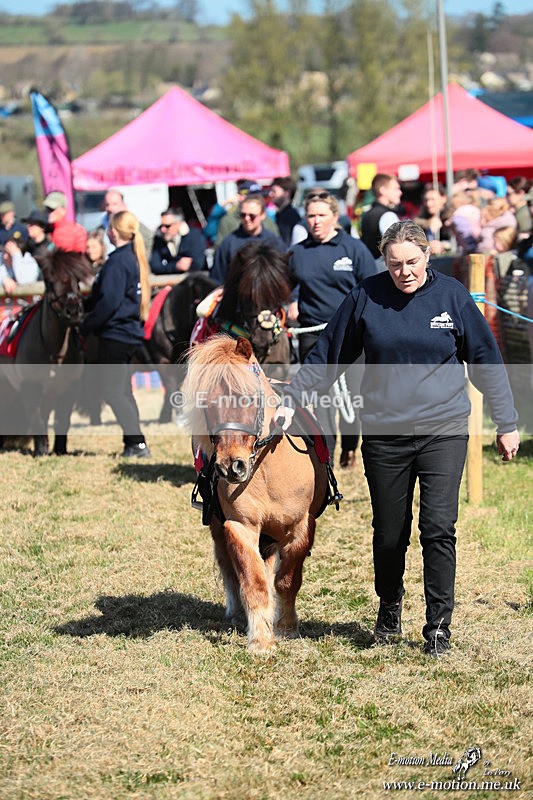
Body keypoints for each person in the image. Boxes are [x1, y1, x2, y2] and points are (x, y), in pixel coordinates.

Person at [275, 220, 519, 656]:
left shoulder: (453, 298)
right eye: (394, 264)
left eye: (412, 262)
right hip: (386, 433)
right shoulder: (366, 296)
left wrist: (507, 422)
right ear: (384, 262)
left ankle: (438, 626)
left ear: (427, 256)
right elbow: (330, 354)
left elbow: (486, 360)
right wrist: (293, 399)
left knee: (438, 528)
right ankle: (389, 605)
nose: (404, 271)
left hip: (443, 430)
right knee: (390, 532)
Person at [288, 190, 376, 467]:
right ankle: (325, 455)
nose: (315, 221)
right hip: (312, 334)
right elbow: (282, 286)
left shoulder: (353, 249)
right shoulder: (297, 253)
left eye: (321, 215)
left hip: (350, 336)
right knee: (319, 400)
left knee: (352, 400)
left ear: (335, 217)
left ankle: (350, 446)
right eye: (311, 216)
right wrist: (290, 301)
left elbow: (372, 289)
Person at [80, 210, 151, 458]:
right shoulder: (130, 258)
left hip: (115, 334)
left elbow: (108, 302)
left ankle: (137, 442)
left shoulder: (118, 262)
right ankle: (133, 443)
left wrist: (86, 326)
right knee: (123, 391)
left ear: (114, 231)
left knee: (111, 390)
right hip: (128, 333)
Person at [211, 194, 285, 285]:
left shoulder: (274, 242)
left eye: (252, 216)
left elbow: (284, 275)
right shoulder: (229, 243)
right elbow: (217, 278)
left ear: (262, 215)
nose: (247, 219)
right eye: (243, 215)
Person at [215, 179, 280, 246]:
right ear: (240, 197)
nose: (256, 200)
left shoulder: (267, 220)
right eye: (251, 197)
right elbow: (220, 250)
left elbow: (277, 247)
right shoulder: (227, 221)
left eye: (259, 196)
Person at [150, 208, 206, 274]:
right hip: (167, 281)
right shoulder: (159, 238)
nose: (162, 229)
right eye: (161, 226)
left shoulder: (194, 236)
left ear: (178, 224)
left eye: (167, 226)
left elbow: (197, 265)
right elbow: (155, 266)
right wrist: (176, 266)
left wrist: (167, 266)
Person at [361, 174, 402, 263]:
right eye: (396, 189)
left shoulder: (367, 214)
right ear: (382, 190)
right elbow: (398, 246)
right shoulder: (387, 215)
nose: (400, 192)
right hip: (386, 269)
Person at [414, 184, 453, 254]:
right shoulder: (421, 219)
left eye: (433, 199)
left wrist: (443, 245)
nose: (429, 203)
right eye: (426, 200)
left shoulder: (451, 216)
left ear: (443, 198)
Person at [268, 176, 302, 246]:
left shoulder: (290, 216)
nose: (270, 194)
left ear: (286, 193)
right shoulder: (280, 214)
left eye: (274, 191)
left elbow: (286, 243)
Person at [506, 177, 532, 241]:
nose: (506, 196)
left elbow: (524, 236)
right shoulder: (520, 210)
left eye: (509, 194)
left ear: (521, 193)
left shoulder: (524, 213)